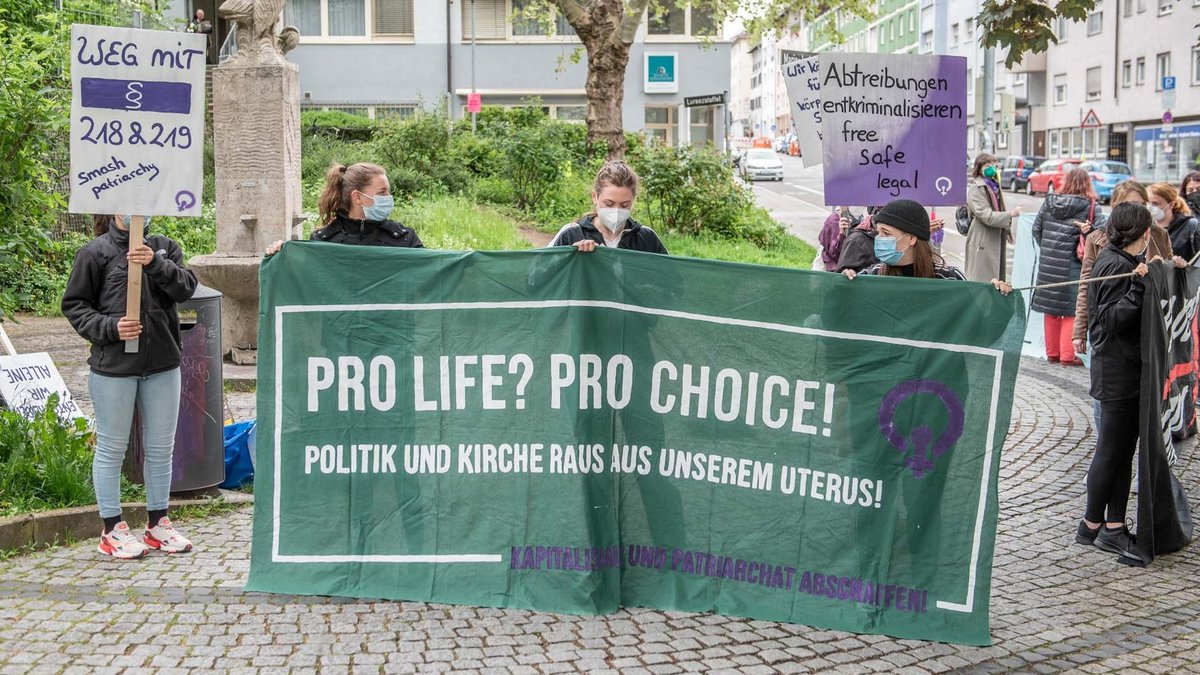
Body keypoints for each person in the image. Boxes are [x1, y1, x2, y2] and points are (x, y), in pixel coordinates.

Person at [61, 214, 199, 559]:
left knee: (160, 448)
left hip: (163, 365)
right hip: (114, 369)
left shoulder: (165, 247)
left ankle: (158, 524)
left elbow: (186, 288)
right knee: (112, 448)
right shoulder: (94, 253)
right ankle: (111, 529)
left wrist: (155, 264)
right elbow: (75, 306)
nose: (134, 209)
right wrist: (110, 328)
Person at [1076, 202, 1154, 566]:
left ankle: (1112, 525)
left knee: (1122, 451)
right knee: (1111, 451)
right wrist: (1138, 288)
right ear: (1144, 234)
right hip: (1116, 372)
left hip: (1122, 370)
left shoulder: (1118, 259)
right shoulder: (1116, 264)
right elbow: (1108, 320)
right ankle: (1093, 524)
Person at [1073, 180, 1175, 357]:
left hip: (1152, 323)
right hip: (1114, 331)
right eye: (1131, 204)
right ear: (1116, 207)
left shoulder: (1159, 234)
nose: (1139, 210)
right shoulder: (1098, 238)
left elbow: (1169, 276)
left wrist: (1175, 266)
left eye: (1142, 204)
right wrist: (1079, 331)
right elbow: (1086, 285)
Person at [841, 198, 1011, 293]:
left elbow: (975, 324)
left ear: (911, 239)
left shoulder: (949, 279)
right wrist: (842, 285)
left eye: (886, 233)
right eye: (878, 232)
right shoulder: (873, 276)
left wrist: (996, 297)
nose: (879, 238)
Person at [267, 163, 423, 254]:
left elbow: (431, 274)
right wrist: (283, 255)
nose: (388, 197)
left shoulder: (404, 238)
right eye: (382, 192)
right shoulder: (323, 242)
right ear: (357, 197)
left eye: (388, 191)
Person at [1031, 168, 1102, 365]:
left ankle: (1052, 353)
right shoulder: (1091, 207)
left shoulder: (1049, 202)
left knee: (1051, 308)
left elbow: (1036, 229)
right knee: (1071, 309)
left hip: (1048, 263)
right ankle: (1067, 356)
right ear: (1088, 184)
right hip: (1074, 265)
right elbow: (1101, 237)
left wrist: (1048, 249)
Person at [549, 162, 667, 254]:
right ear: (595, 197)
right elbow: (541, 272)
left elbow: (671, 278)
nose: (616, 211)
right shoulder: (571, 234)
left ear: (633, 201)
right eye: (609, 204)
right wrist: (570, 255)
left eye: (624, 205)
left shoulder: (646, 238)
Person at [964, 153, 1022, 283]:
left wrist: (1007, 231)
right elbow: (986, 216)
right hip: (982, 239)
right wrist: (1010, 214)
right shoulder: (977, 189)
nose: (992, 167)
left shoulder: (993, 186)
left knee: (994, 278)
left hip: (994, 236)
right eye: (987, 164)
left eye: (993, 164)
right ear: (979, 168)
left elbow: (999, 208)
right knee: (982, 280)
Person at [1149, 182, 1200, 263]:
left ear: (1171, 205)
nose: (1150, 207)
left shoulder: (1190, 225)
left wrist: (1184, 265)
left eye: (1155, 203)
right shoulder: (1145, 227)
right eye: (1148, 203)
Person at [834, 205, 881, 274]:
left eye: (887, 233)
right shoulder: (857, 240)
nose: (881, 237)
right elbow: (841, 279)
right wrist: (848, 273)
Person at [818, 206, 858, 272]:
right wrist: (842, 234)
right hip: (833, 272)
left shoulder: (868, 221)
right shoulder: (834, 220)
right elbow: (834, 254)